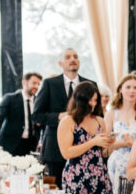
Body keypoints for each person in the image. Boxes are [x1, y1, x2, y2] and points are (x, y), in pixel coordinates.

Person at [58, 81, 115, 194]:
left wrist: (109, 146)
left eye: (96, 100)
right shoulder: (68, 121)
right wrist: (92, 142)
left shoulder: (100, 120)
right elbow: (66, 153)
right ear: (80, 99)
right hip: (77, 177)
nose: (93, 103)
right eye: (90, 99)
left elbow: (103, 153)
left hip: (99, 176)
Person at [33, 48, 93, 181]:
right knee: (53, 193)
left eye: (75, 56)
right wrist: (59, 116)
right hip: (54, 148)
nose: (72, 59)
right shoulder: (49, 84)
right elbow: (36, 115)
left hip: (84, 148)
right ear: (60, 63)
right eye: (68, 57)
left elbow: (96, 113)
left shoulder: (89, 85)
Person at [105, 74, 136, 194]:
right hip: (117, 165)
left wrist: (133, 143)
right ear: (120, 90)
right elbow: (105, 145)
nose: (132, 91)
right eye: (128, 87)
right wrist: (124, 143)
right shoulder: (111, 113)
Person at [0, 72, 43, 156]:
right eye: (34, 83)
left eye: (38, 84)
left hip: (31, 145)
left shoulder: (39, 101)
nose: (36, 87)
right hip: (10, 144)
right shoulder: (10, 99)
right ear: (24, 83)